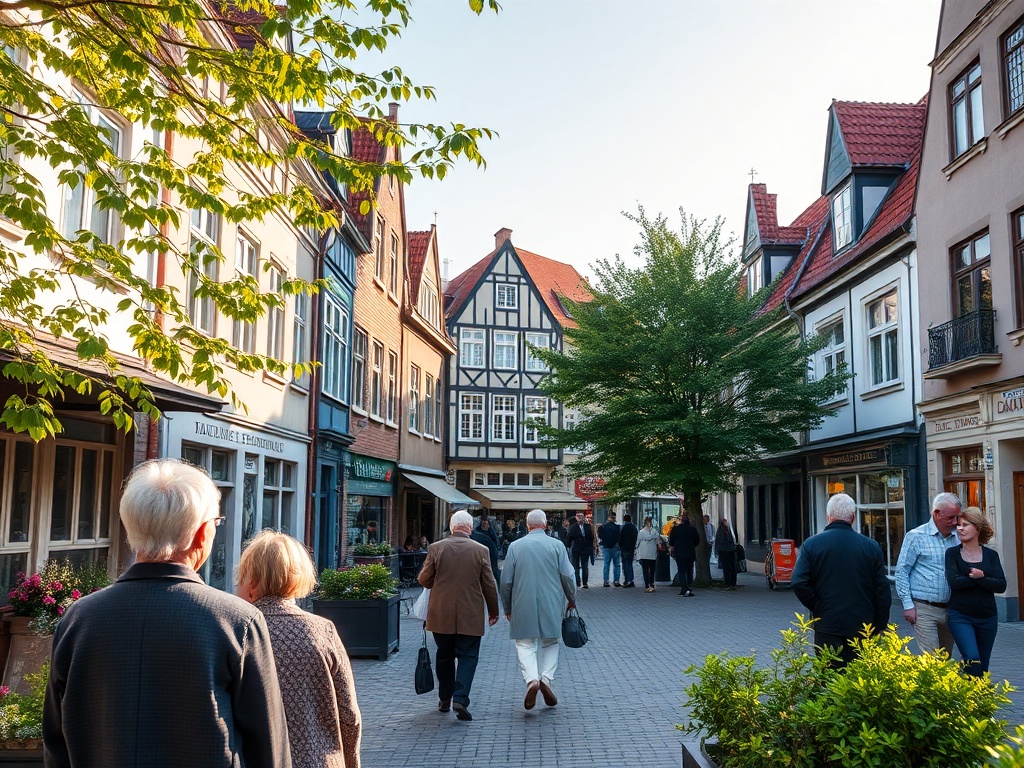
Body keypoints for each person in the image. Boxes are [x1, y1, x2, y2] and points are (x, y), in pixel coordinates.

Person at [43, 459, 290, 768]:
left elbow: (55, 743)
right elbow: (269, 749)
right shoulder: (236, 621)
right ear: (201, 534)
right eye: (216, 523)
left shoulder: (78, 620)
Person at [238, 530, 362, 768]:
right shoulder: (322, 630)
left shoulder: (239, 632)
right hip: (319, 759)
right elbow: (349, 715)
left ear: (250, 578)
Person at [791, 493, 892, 667]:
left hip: (828, 623)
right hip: (862, 624)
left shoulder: (812, 544)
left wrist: (817, 605)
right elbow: (882, 590)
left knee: (829, 677)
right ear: (852, 517)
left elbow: (799, 581)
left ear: (828, 517)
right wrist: (880, 623)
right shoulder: (870, 546)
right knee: (860, 677)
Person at [418, 510, 499, 722]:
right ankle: (460, 698)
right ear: (470, 528)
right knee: (468, 657)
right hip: (470, 614)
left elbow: (424, 580)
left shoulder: (436, 548)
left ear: (452, 527)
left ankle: (444, 699)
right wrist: (494, 611)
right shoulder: (481, 550)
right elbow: (489, 584)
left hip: (440, 613)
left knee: (444, 656)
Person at [500, 509, 577, 710]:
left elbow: (506, 581)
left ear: (528, 525)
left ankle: (532, 679)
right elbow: (568, 576)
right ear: (545, 525)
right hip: (551, 600)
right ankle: (546, 678)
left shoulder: (515, 547)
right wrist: (572, 599)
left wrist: (507, 607)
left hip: (521, 601)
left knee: (525, 644)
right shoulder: (557, 546)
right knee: (551, 641)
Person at [895, 492, 961, 656]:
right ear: (937, 514)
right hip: (924, 607)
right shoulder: (916, 536)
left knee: (945, 657)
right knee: (931, 659)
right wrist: (908, 605)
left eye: (957, 517)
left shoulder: (959, 538)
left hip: (951, 608)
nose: (955, 522)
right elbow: (902, 571)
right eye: (951, 518)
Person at [945, 506, 1007, 676]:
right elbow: (955, 582)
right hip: (960, 616)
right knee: (972, 658)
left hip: (987, 617)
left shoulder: (990, 555)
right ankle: (968, 694)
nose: (960, 528)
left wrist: (981, 577)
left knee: (983, 665)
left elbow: (1001, 585)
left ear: (977, 528)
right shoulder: (952, 554)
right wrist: (978, 578)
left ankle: (976, 698)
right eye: (958, 525)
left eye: (965, 525)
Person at [669, 515, 700, 596]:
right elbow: (697, 541)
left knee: (681, 571)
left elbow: (671, 541)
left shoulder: (676, 529)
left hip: (679, 552)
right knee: (689, 570)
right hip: (690, 552)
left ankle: (684, 588)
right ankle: (687, 587)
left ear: (681, 521)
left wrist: (674, 545)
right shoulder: (693, 529)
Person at [566, 511, 595, 588]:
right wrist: (568, 546)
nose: (580, 518)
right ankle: (577, 581)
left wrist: (590, 547)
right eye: (578, 516)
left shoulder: (588, 526)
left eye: (581, 516)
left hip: (585, 550)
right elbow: (569, 538)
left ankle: (585, 582)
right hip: (576, 550)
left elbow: (591, 537)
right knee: (576, 567)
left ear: (584, 517)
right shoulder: (573, 527)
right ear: (576, 518)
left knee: (585, 566)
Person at [471, 518, 501, 586]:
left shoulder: (489, 533)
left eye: (486, 523)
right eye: (483, 523)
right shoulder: (482, 535)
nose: (484, 525)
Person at [637, 516, 661, 592]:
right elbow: (658, 542)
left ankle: (646, 585)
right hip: (652, 554)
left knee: (645, 571)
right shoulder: (655, 532)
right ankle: (652, 585)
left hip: (643, 554)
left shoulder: (641, 532)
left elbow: (637, 542)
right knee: (652, 570)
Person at [598, 511, 622, 587]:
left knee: (606, 564)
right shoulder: (617, 527)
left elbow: (600, 536)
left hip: (606, 547)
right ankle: (616, 581)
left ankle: (606, 581)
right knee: (617, 564)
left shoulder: (603, 527)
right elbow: (619, 537)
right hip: (615, 547)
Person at [715, 517, 738, 590]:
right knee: (731, 567)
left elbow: (718, 541)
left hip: (724, 550)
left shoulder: (721, 531)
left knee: (726, 567)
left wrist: (717, 550)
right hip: (730, 550)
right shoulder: (729, 530)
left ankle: (728, 583)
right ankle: (732, 583)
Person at [619, 513, 639, 588]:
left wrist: (620, 545)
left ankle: (627, 580)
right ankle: (631, 580)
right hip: (631, 548)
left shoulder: (624, 527)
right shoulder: (634, 527)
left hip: (624, 548)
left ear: (624, 519)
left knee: (625, 564)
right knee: (630, 564)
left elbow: (621, 538)